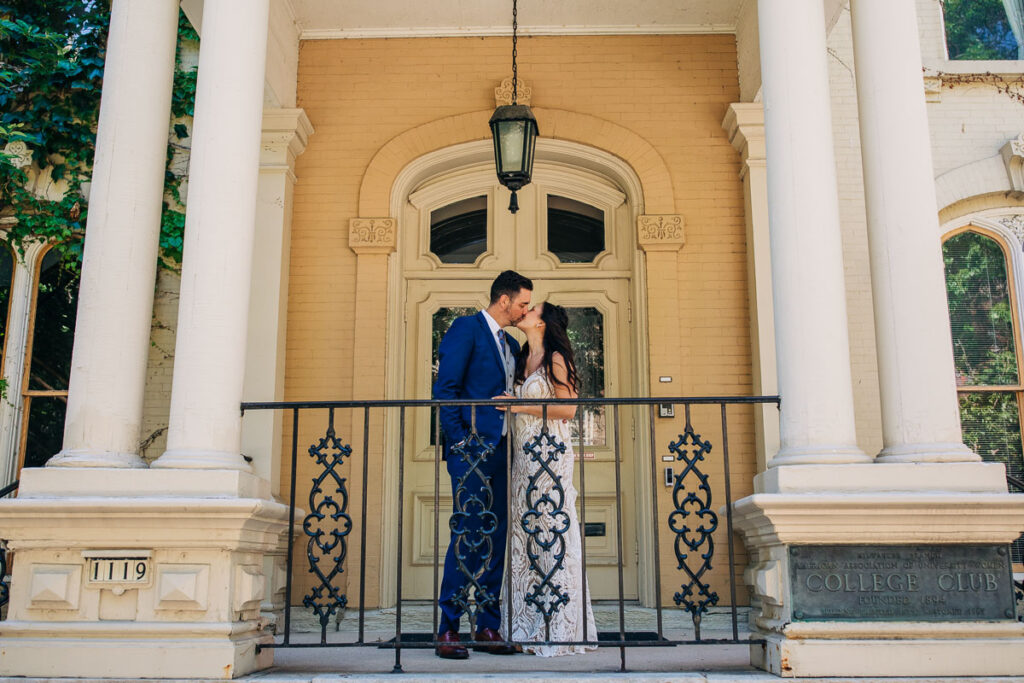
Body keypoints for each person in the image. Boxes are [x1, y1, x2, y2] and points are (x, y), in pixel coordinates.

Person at [433, 270, 533, 659]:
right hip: (470, 452)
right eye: (522, 303)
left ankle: (487, 626)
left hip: (503, 451)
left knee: (496, 536)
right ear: (504, 300)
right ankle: (448, 628)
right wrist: (459, 441)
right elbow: (445, 389)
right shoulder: (466, 329)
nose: (524, 310)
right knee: (468, 535)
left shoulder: (511, 343)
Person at [495, 302, 597, 657]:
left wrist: (518, 405)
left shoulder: (556, 358)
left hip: (551, 456)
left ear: (543, 322)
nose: (524, 311)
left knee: (551, 531)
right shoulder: (522, 357)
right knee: (525, 535)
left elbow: (568, 409)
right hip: (523, 459)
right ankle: (526, 625)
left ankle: (559, 625)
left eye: (532, 308)